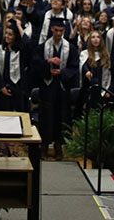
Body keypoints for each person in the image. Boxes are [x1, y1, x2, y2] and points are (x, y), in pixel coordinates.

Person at [38, 17, 77, 159]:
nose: (59, 33)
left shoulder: (70, 48)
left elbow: (73, 67)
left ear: (64, 31)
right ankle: (43, 146)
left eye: (61, 31)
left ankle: (58, 146)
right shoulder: (43, 46)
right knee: (46, 117)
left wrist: (62, 72)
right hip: (47, 87)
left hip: (62, 88)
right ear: (51, 30)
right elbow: (35, 64)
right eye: (56, 30)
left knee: (61, 117)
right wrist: (48, 63)